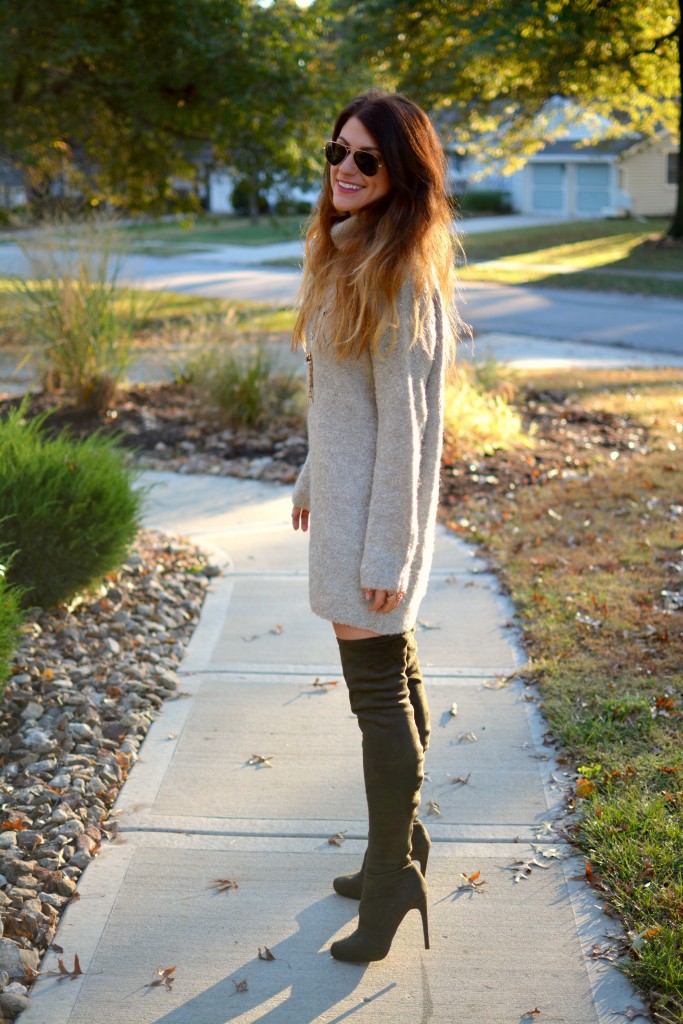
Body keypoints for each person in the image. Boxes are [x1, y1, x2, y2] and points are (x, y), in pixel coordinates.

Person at [290, 90, 461, 963]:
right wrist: (311, 471)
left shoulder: (394, 274)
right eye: (338, 151)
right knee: (394, 674)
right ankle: (399, 848)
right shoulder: (346, 252)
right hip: (350, 507)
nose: (345, 170)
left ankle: (391, 875)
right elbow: (340, 403)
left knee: (376, 698)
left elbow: (405, 429)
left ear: (402, 176)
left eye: (368, 159)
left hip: (374, 524)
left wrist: (388, 548)